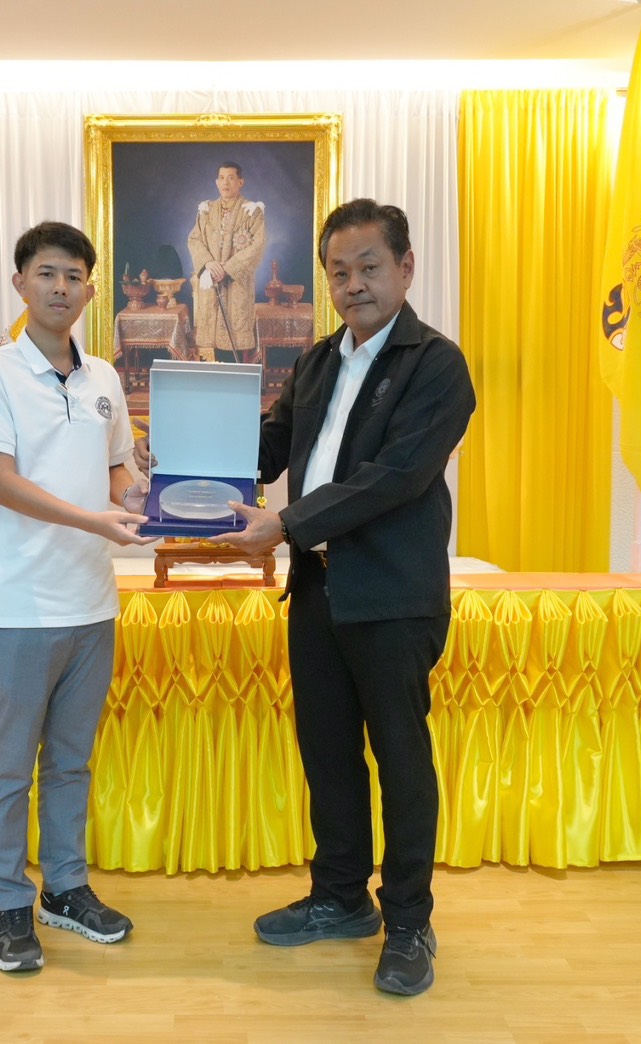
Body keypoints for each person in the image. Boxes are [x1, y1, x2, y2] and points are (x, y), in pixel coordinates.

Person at [214, 198, 476, 995]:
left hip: (393, 595)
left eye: (369, 267)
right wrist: (189, 462)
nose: (353, 284)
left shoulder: (437, 365)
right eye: (339, 271)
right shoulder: (320, 360)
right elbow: (268, 445)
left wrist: (286, 523)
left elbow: (395, 478)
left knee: (399, 759)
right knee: (327, 752)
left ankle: (410, 922)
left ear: (405, 268)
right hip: (320, 587)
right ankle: (340, 897)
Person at [0, 220, 156, 974]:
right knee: (10, 766)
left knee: (71, 763)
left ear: (91, 290)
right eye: (46, 273)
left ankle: (65, 889)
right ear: (20, 283)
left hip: (92, 603)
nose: (60, 288)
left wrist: (136, 492)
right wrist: (95, 518)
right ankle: (9, 902)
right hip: (20, 606)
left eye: (74, 276)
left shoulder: (103, 378)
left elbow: (116, 471)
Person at [186, 161, 267, 361]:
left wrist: (227, 269)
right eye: (222, 178)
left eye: (231, 178)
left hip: (236, 286)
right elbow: (194, 239)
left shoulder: (252, 212)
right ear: (216, 182)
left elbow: (257, 246)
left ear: (241, 182)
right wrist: (208, 264)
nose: (225, 183)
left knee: (234, 344)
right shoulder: (206, 211)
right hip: (211, 282)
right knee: (211, 344)